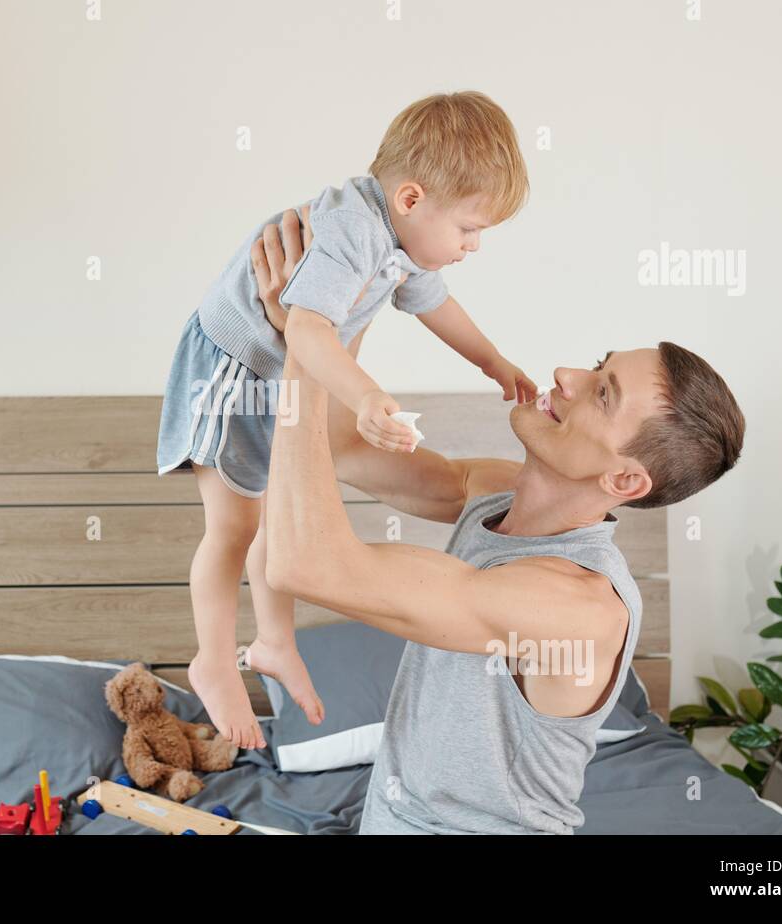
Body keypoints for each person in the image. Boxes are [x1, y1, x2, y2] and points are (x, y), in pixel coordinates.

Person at [252, 208, 747, 833]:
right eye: (598, 364)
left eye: (601, 393)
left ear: (624, 480)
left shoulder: (580, 608)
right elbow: (345, 447)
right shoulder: (494, 492)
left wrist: (307, 332)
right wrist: (337, 303)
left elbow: (307, 564)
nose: (567, 374)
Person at [156, 91, 536, 750]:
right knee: (234, 523)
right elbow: (305, 328)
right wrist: (363, 397)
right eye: (470, 228)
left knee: (282, 515)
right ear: (412, 200)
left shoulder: (399, 238)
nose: (473, 246)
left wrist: (493, 361)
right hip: (230, 369)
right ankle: (213, 659)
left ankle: (274, 640)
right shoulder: (352, 230)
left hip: (276, 375)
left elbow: (435, 304)